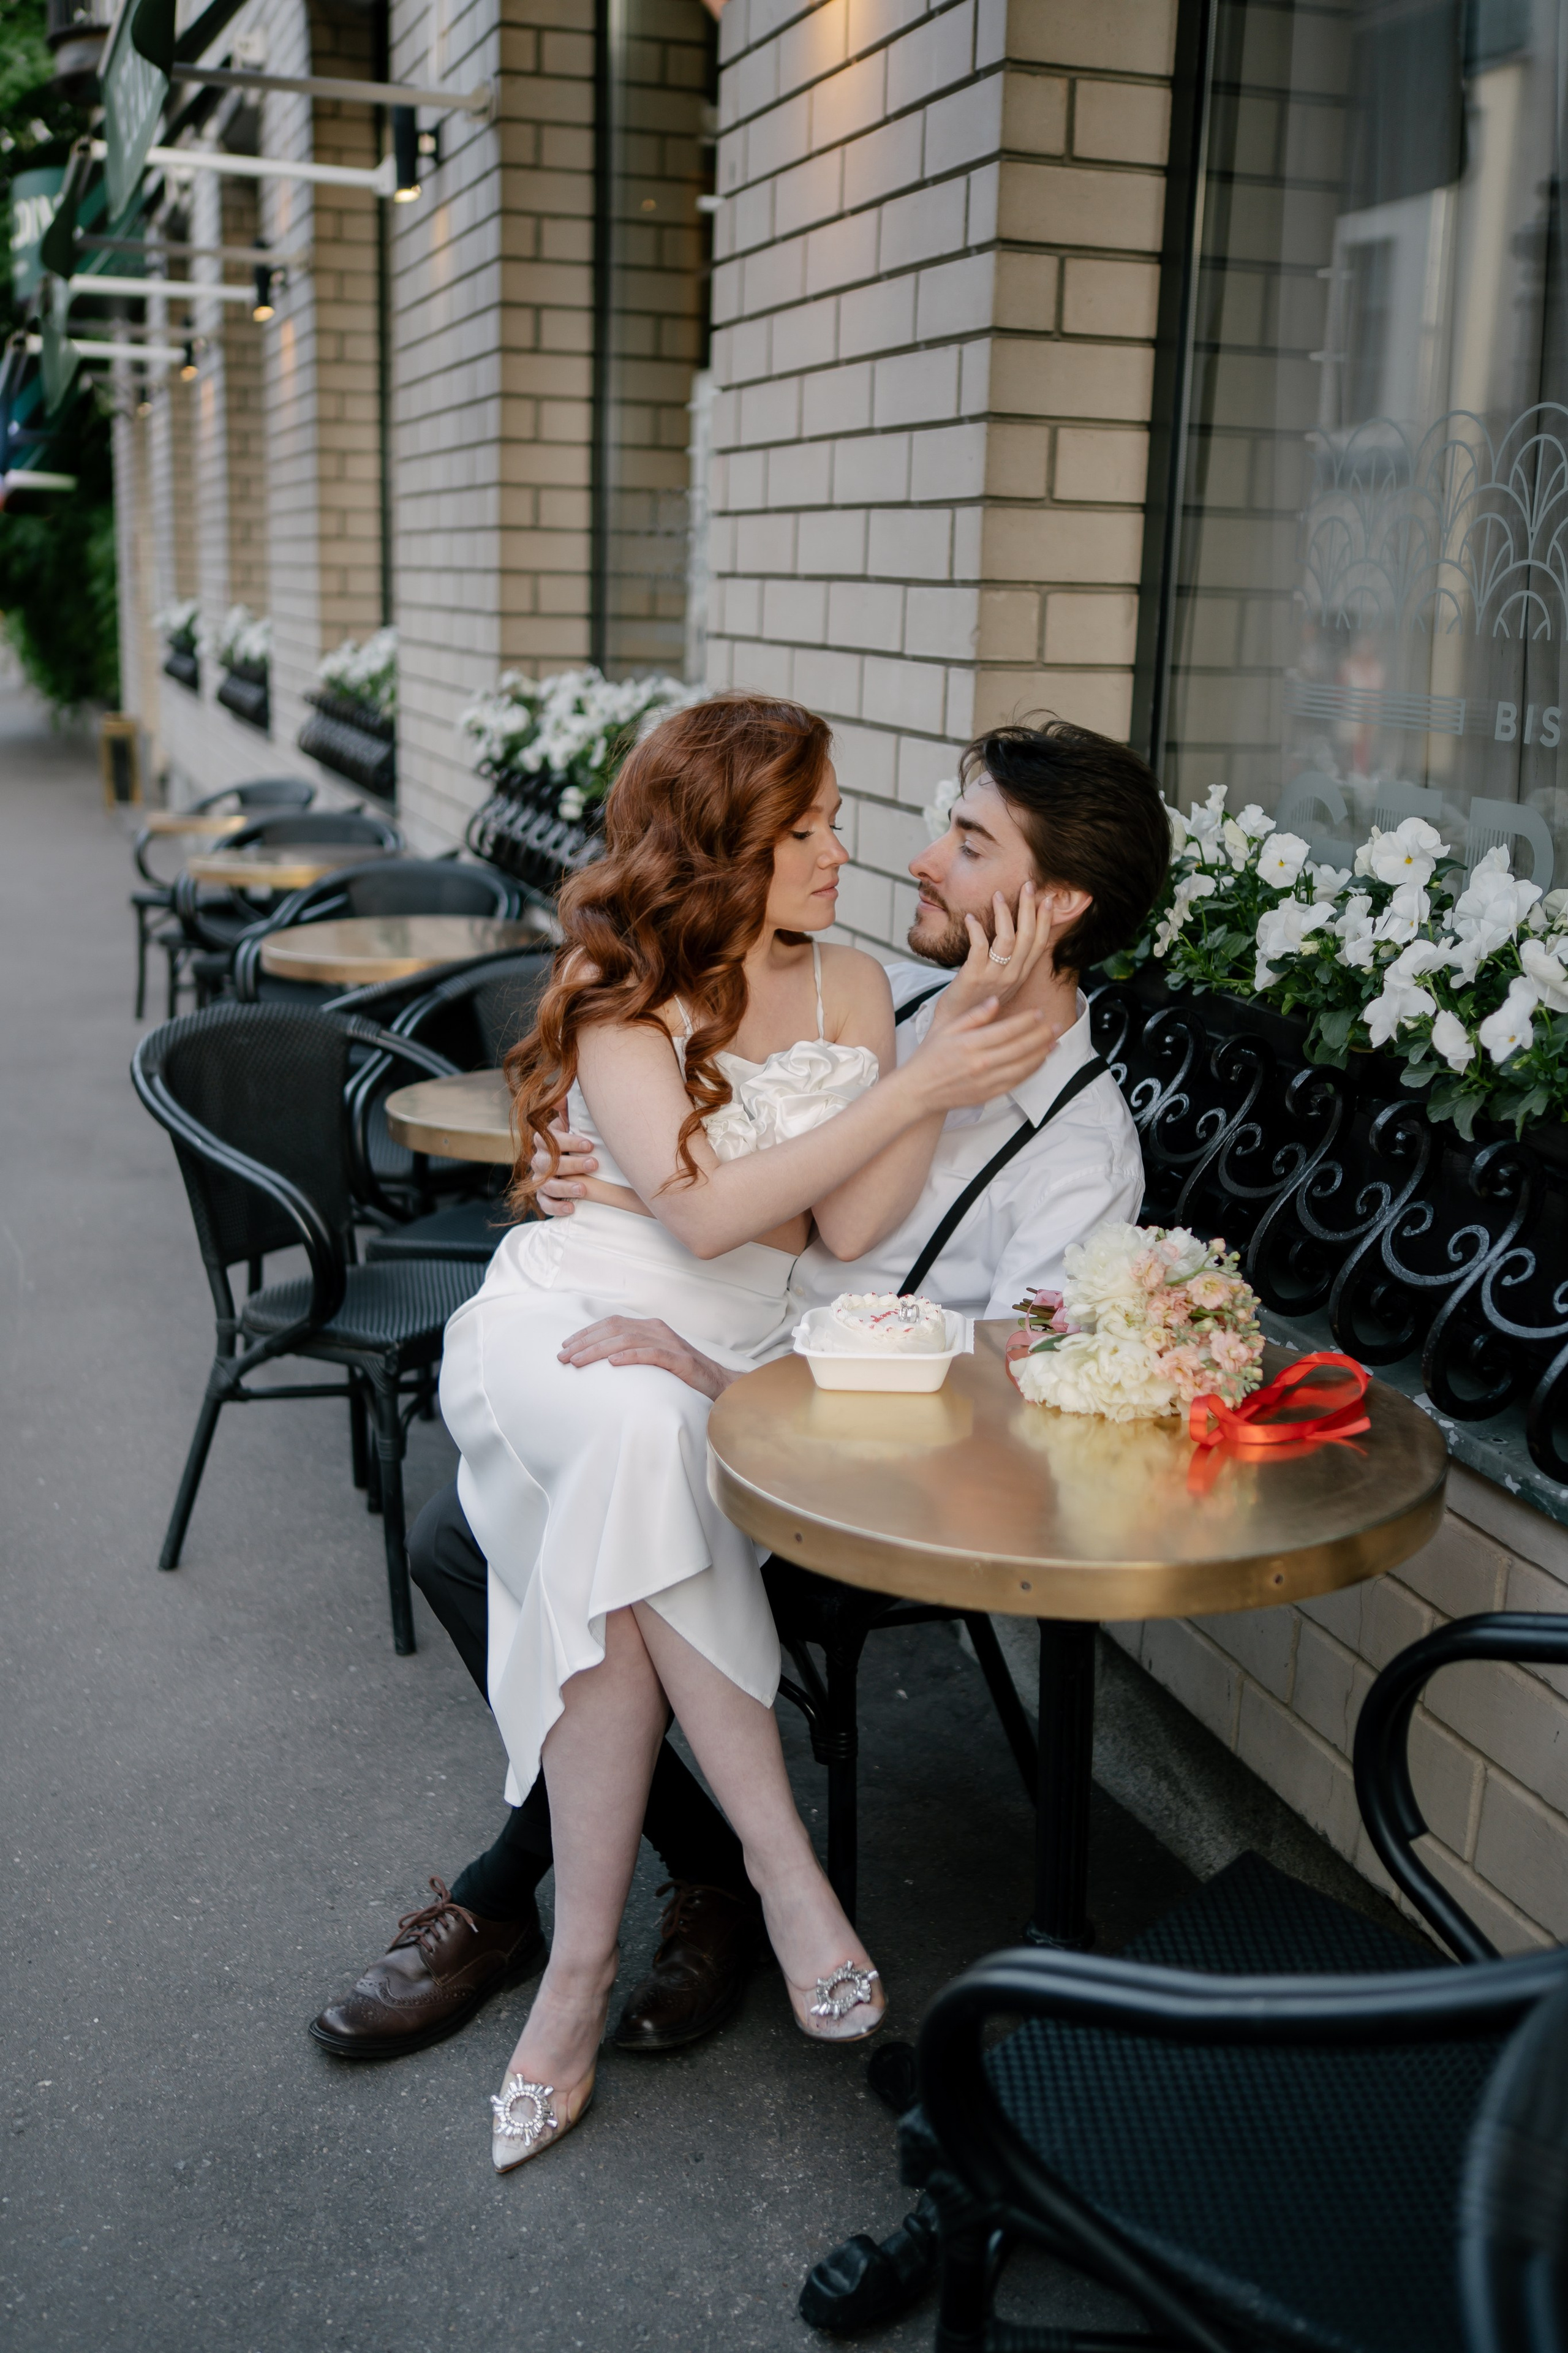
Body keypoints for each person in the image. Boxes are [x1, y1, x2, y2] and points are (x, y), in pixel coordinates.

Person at [311, 714, 1171, 2091]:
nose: (909, 859)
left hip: (840, 1454)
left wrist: (739, 1366)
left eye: (966, 843)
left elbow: (1008, 1375)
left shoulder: (1081, 1144)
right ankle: (731, 1878)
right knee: (503, 1521)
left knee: (564, 1508)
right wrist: (591, 1159)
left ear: (1054, 904)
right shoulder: (890, 993)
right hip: (677, 1372)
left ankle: (523, 1904)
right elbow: (702, 1124)